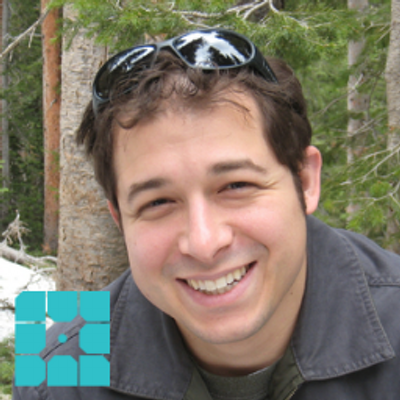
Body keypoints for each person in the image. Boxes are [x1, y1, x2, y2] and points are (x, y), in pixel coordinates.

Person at [13, 28, 400, 400]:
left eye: (236, 186)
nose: (204, 243)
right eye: (158, 203)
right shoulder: (57, 378)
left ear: (305, 182)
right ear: (120, 220)